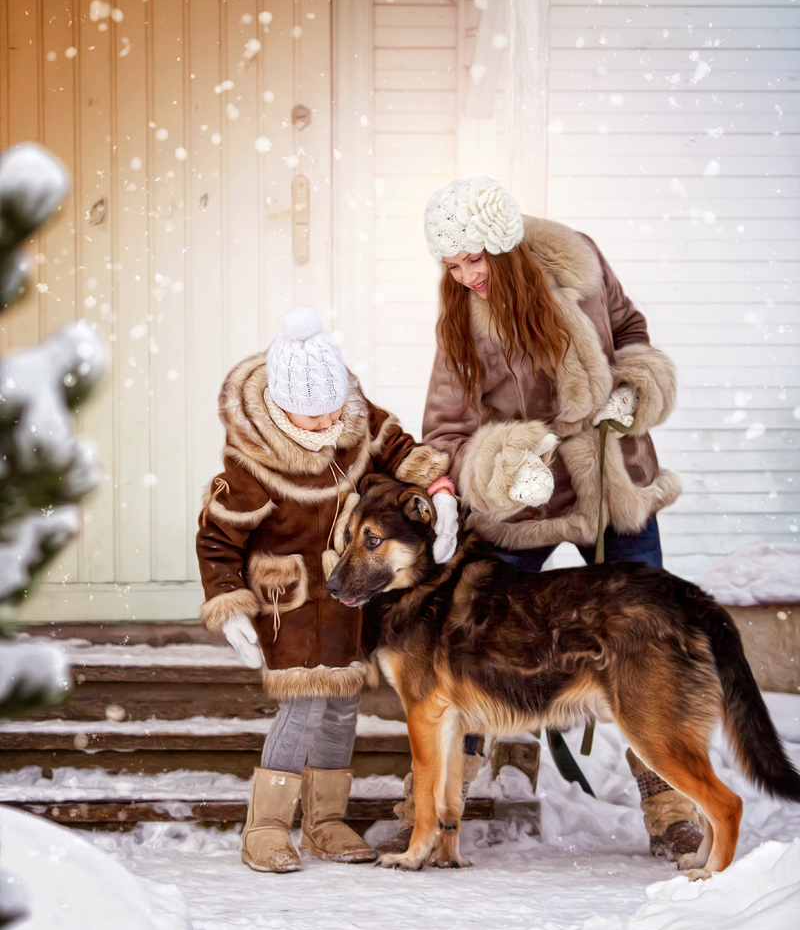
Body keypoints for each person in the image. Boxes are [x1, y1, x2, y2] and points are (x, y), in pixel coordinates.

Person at [387, 176, 701, 863]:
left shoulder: (581, 262)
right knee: (469, 634)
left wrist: (631, 389)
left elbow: (632, 333)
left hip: (615, 485)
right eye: (451, 262)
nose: (466, 275)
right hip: (526, 502)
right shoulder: (462, 325)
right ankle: (441, 803)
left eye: (477, 258)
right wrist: (501, 468)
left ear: (510, 247)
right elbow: (443, 432)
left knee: (645, 642)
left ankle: (670, 802)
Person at [197, 306, 450, 873]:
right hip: (291, 605)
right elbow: (217, 538)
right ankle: (265, 828)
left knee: (341, 705)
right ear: (280, 407)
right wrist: (228, 603)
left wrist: (440, 488)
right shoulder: (249, 465)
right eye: (308, 418)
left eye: (331, 411)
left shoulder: (356, 424)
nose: (323, 425)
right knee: (304, 706)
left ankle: (325, 821)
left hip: (347, 596)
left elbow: (402, 451)